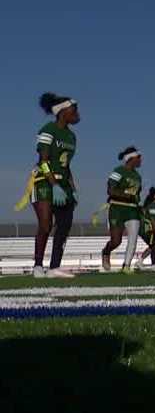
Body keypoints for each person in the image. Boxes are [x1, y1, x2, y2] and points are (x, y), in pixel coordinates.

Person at [18, 92, 81, 278]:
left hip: (63, 183)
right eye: (74, 109)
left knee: (64, 226)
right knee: (46, 224)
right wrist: (54, 185)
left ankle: (54, 267)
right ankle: (38, 266)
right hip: (44, 182)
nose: (77, 113)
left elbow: (66, 165)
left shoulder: (71, 136)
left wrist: (72, 188)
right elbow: (43, 160)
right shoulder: (48, 130)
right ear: (62, 112)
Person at [101, 147, 144, 273]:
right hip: (117, 208)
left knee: (133, 237)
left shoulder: (138, 176)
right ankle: (105, 252)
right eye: (138, 157)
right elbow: (110, 190)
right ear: (131, 158)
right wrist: (126, 195)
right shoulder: (118, 171)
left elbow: (136, 194)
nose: (141, 160)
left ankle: (126, 266)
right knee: (116, 241)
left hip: (132, 209)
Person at [134, 187, 155, 271]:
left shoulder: (151, 206)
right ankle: (152, 265)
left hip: (144, 229)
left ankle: (140, 261)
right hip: (147, 229)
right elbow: (153, 221)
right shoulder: (152, 207)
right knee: (154, 245)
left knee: (152, 245)